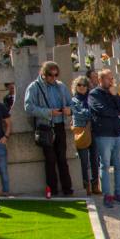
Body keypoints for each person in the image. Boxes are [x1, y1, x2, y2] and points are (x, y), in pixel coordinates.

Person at [23, 60, 73, 197]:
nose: (53, 78)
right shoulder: (34, 87)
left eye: (56, 75)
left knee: (62, 158)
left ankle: (68, 189)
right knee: (50, 159)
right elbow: (28, 107)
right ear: (44, 74)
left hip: (60, 124)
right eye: (50, 75)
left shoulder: (61, 86)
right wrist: (48, 112)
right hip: (45, 126)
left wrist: (69, 110)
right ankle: (52, 190)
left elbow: (72, 103)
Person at [88, 69, 120, 207]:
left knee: (119, 165)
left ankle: (118, 193)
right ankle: (107, 195)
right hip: (103, 134)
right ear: (100, 80)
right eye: (108, 79)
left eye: (112, 79)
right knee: (105, 165)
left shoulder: (113, 93)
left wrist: (116, 96)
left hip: (117, 133)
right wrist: (115, 112)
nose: (111, 81)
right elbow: (102, 110)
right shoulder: (94, 94)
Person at [70, 76, 96, 194]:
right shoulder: (73, 100)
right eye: (79, 85)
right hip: (80, 131)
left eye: (84, 85)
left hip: (93, 131)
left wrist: (89, 113)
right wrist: (90, 113)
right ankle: (86, 185)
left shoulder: (92, 99)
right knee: (84, 160)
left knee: (95, 159)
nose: (81, 87)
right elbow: (79, 114)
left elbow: (96, 112)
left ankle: (95, 184)